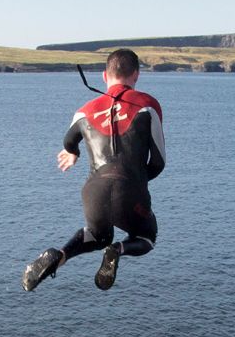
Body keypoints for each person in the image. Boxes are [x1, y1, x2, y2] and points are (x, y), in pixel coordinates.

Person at [22, 48, 166, 292]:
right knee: (147, 237)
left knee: (97, 235)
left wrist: (73, 152)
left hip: (94, 190)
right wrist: (137, 181)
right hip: (131, 190)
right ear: (137, 75)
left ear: (103, 76)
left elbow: (68, 141)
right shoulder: (148, 106)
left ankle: (60, 254)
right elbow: (159, 161)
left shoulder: (83, 111)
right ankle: (118, 250)